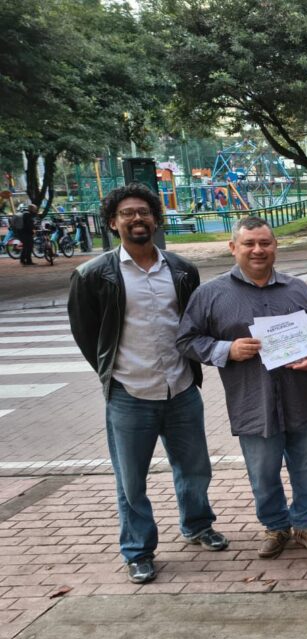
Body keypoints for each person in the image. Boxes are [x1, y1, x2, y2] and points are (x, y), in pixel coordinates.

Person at [68, 183, 227, 584]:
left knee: (194, 467)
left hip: (180, 387)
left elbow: (193, 325)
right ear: (112, 222)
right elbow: (88, 335)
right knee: (131, 479)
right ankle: (138, 550)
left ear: (156, 219)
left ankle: (197, 524)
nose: (136, 219)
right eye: (127, 213)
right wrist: (116, 371)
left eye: (143, 212)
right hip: (129, 393)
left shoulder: (182, 269)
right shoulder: (92, 275)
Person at [177, 216, 307, 559]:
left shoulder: (296, 289)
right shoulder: (211, 294)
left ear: (275, 247)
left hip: (301, 399)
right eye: (249, 244)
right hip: (252, 402)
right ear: (233, 248)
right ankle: (276, 527)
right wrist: (226, 350)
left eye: (265, 243)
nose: (258, 250)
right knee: (263, 473)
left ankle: (305, 523)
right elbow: (186, 340)